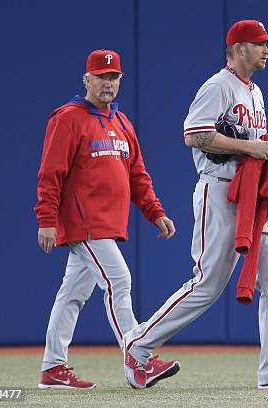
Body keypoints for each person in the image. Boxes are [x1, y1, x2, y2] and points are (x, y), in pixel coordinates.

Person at [120, 20, 268, 390]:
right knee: (209, 284)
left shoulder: (255, 92)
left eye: (267, 43)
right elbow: (193, 135)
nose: (267, 49)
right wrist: (248, 146)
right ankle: (138, 345)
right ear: (238, 49)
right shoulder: (218, 86)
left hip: (253, 199)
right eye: (259, 44)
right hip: (219, 191)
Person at [35, 49, 179, 389]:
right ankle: (138, 359)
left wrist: (155, 212)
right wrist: (46, 219)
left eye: (114, 78)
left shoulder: (122, 121)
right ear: (87, 79)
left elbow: (138, 176)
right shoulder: (67, 118)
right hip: (84, 223)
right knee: (120, 280)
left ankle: (52, 368)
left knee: (71, 295)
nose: (108, 83)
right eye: (101, 77)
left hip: (108, 225)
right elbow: (50, 173)